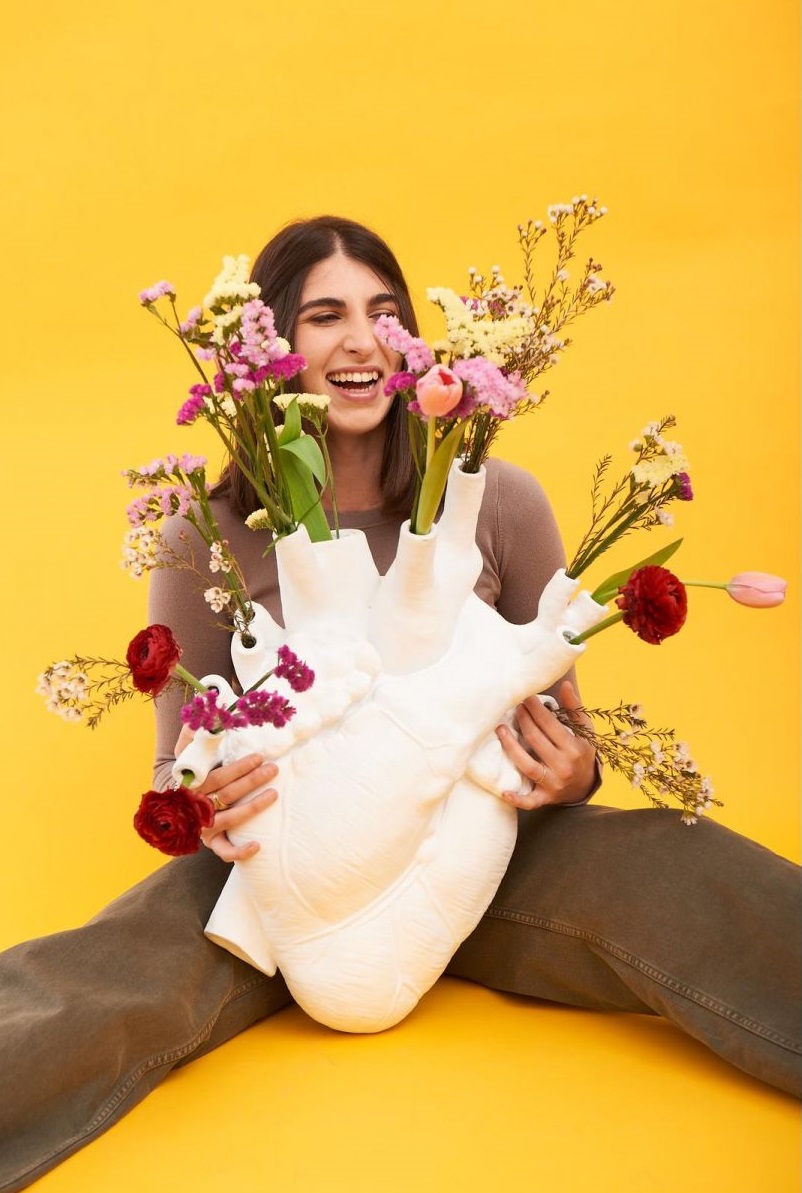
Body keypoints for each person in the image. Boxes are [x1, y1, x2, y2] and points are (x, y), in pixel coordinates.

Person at [1, 217, 798, 1192]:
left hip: (485, 853)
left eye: (384, 313)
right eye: (324, 315)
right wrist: (202, 801)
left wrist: (574, 769)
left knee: (686, 867)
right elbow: (175, 767)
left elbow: (566, 725)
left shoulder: (497, 499)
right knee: (104, 977)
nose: (363, 341)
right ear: (268, 347)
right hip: (287, 871)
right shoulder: (206, 534)